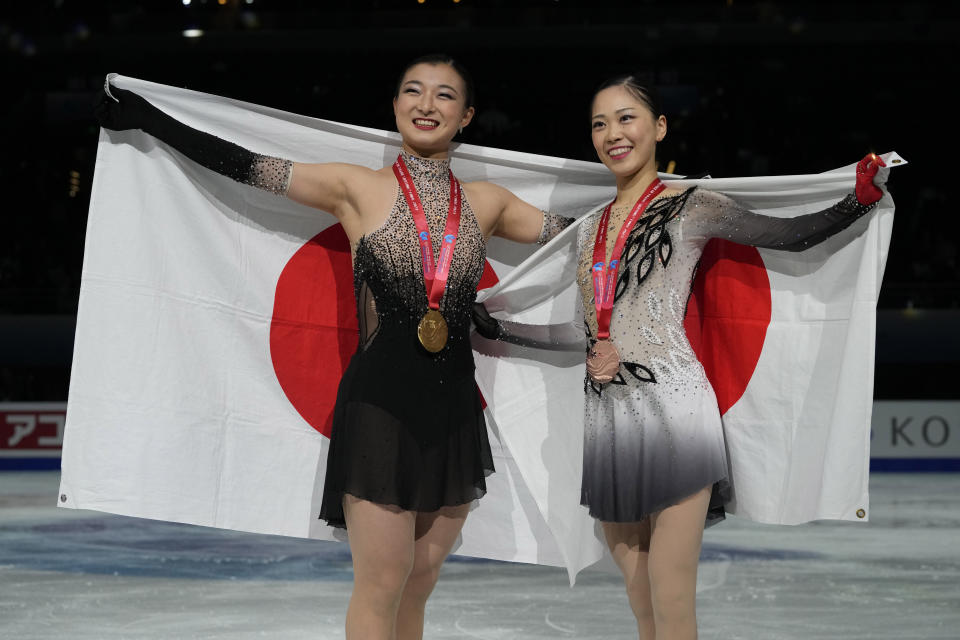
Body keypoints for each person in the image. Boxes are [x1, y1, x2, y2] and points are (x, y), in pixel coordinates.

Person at [94, 54, 572, 640]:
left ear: (467, 114)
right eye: (413, 92)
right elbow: (247, 167)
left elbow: (581, 237)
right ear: (395, 106)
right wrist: (154, 121)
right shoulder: (354, 187)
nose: (427, 105)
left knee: (420, 580)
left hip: (454, 414)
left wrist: (658, 200)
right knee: (383, 582)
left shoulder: (490, 203)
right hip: (380, 409)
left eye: (444, 96)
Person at [474, 75, 888, 639]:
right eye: (600, 123)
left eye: (627, 118)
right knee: (640, 595)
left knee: (670, 595)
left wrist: (856, 201)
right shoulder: (589, 229)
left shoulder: (693, 206)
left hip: (675, 412)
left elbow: (789, 235)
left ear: (659, 127)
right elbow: (584, 330)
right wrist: (504, 329)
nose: (613, 133)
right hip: (608, 420)